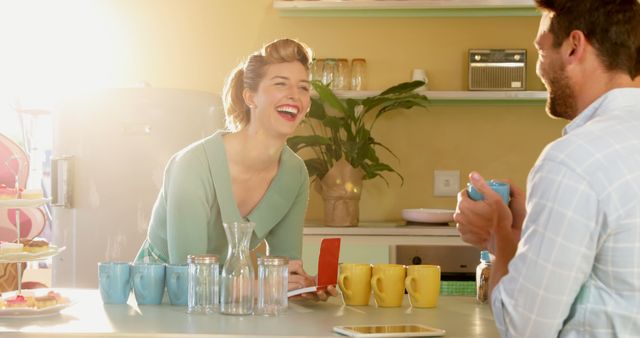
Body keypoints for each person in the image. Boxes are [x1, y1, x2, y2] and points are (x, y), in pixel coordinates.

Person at [454, 0, 640, 336]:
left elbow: (524, 327)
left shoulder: (572, 160)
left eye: (541, 52)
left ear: (574, 46)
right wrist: (533, 226)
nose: (540, 70)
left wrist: (500, 232)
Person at [135, 38, 336, 300]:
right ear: (250, 96)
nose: (294, 95)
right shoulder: (193, 167)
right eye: (280, 83)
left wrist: (302, 286)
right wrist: (261, 288)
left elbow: (283, 270)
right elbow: (185, 282)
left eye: (303, 87)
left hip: (230, 302)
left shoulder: (294, 174)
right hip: (159, 301)